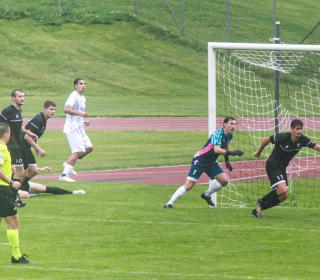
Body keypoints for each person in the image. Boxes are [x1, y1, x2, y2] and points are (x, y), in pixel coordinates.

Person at [164, 117, 244, 208]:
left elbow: (225, 147)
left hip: (211, 162)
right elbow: (217, 150)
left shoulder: (229, 136)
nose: (234, 126)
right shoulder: (218, 134)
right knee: (189, 184)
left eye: (235, 124)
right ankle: (169, 203)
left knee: (224, 180)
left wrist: (227, 161)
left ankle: (206, 194)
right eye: (231, 123)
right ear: (225, 124)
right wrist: (232, 153)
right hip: (200, 160)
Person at [252, 119, 320, 218]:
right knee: (283, 190)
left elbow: (316, 147)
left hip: (282, 168)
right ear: (292, 129)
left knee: (284, 195)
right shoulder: (283, 137)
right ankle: (260, 202)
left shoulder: (303, 139)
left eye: (301, 129)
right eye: (297, 129)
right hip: (273, 164)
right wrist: (258, 152)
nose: (299, 131)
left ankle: (260, 208)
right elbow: (266, 140)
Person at [0, 123, 31, 264]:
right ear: (6, 134)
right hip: (3, 190)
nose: (10, 135)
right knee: (13, 221)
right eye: (10, 132)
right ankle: (16, 257)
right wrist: (11, 182)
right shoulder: (1, 147)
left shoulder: (3, 147)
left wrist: (9, 169)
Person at [59, 78, 93, 182]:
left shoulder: (83, 97)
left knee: (89, 148)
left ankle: (68, 163)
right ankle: (63, 175)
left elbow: (81, 112)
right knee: (77, 151)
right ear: (75, 86)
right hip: (72, 128)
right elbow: (66, 109)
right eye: (81, 83)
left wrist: (84, 119)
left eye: (84, 84)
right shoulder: (73, 96)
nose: (83, 85)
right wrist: (81, 114)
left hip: (80, 128)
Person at [0, 90, 38, 183]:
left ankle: (19, 190)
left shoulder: (19, 111)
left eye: (23, 96)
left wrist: (29, 133)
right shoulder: (7, 111)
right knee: (19, 172)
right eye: (20, 96)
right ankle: (15, 193)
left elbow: (18, 126)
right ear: (13, 98)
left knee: (24, 171)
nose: (22, 98)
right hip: (11, 145)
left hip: (19, 144)